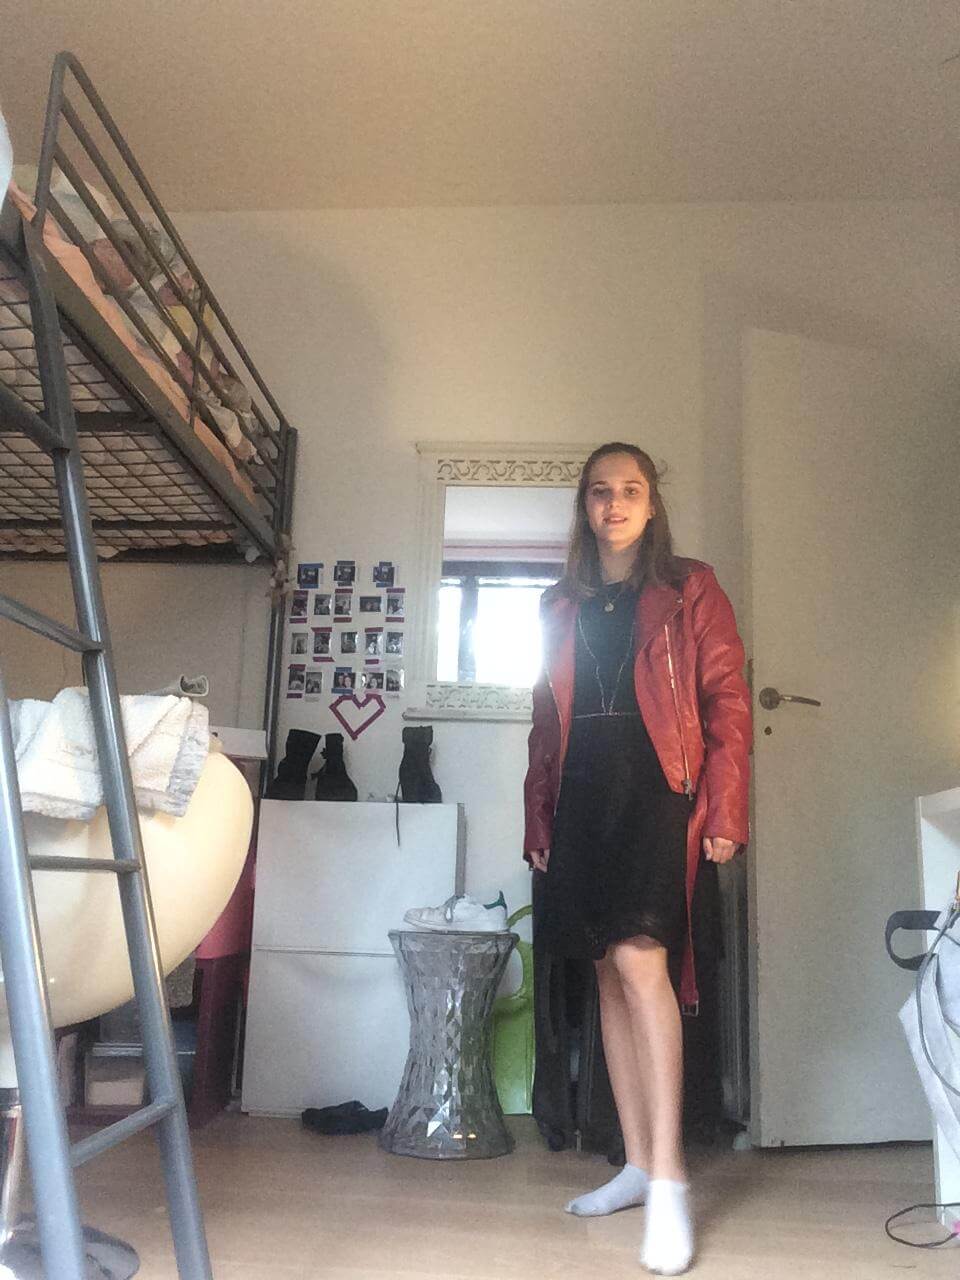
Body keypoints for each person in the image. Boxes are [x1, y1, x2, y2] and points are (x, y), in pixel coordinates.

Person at [523, 442, 751, 1276]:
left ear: (652, 504)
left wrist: (725, 807)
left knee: (641, 962)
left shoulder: (692, 587)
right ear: (584, 507)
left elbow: (726, 700)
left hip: (659, 790)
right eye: (599, 491)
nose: (614, 503)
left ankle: (672, 1182)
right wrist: (537, 816)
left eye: (630, 490)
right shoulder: (558, 603)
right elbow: (544, 719)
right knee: (604, 971)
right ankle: (637, 1165)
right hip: (580, 795)